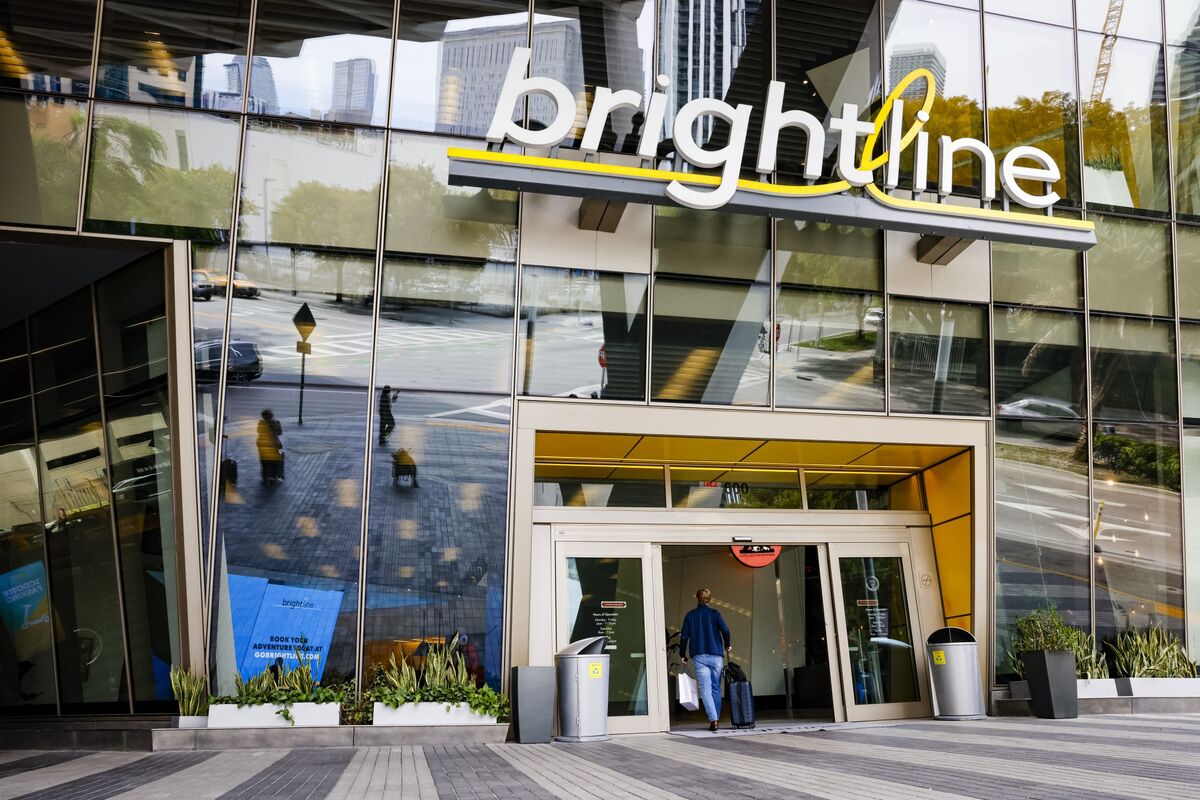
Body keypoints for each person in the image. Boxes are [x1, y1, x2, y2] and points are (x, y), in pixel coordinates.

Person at [679, 588, 731, 732]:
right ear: (709, 599)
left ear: (697, 599)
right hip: (716, 656)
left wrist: (682, 654)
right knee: (716, 688)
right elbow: (725, 630)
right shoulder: (715, 614)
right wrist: (727, 644)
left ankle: (714, 720)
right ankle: (716, 718)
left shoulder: (690, 616)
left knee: (706, 689)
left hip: (699, 656)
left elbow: (684, 636)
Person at [256, 409, 284, 485]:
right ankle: (273, 476)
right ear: (271, 416)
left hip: (262, 445)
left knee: (264, 462)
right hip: (273, 444)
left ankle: (265, 476)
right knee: (274, 462)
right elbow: (279, 432)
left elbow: (259, 432)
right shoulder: (276, 422)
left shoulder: (260, 423)